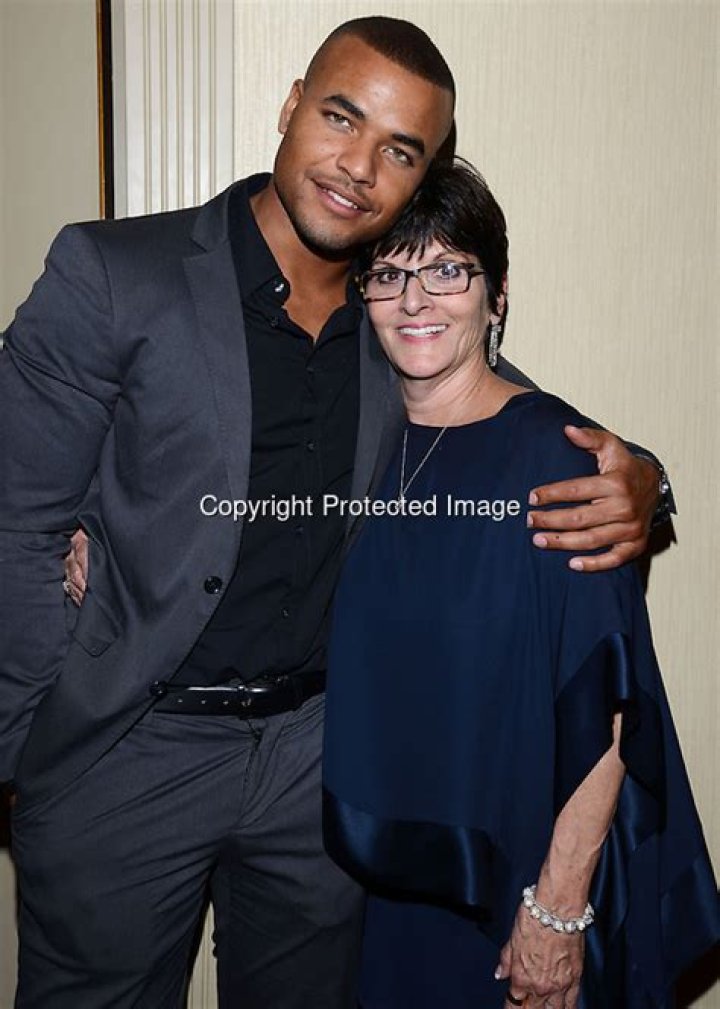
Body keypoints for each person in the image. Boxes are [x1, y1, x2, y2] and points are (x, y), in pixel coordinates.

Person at [1, 16, 668, 1009]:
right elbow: (16, 520)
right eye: (341, 118)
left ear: (423, 172)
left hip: (320, 767)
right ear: (291, 106)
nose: (358, 166)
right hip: (131, 752)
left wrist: (648, 480)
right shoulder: (114, 274)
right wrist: (29, 753)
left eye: (399, 150)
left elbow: (512, 410)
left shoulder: (395, 316)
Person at [322, 159, 719, 1009]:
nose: (415, 300)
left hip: (510, 889)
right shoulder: (355, 443)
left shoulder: (554, 455)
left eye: (446, 270)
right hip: (369, 880)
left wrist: (557, 907)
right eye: (388, 274)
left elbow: (609, 704)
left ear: (496, 295)